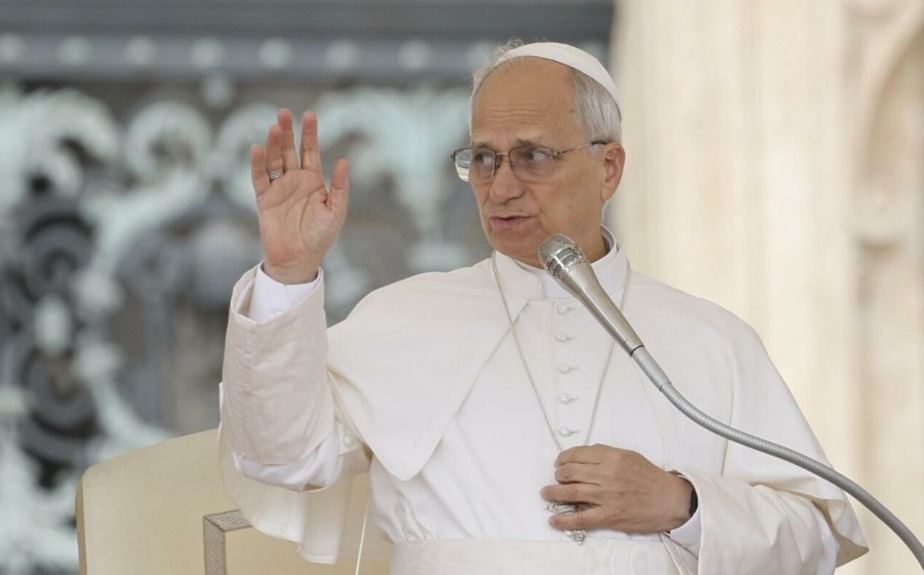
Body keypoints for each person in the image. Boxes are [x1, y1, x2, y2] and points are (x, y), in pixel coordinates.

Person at [218, 40, 868, 574]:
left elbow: (816, 535)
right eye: (483, 158)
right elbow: (279, 456)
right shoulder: (403, 318)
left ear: (608, 167)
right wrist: (289, 271)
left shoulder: (711, 339)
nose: (501, 186)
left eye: (532, 156)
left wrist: (684, 501)